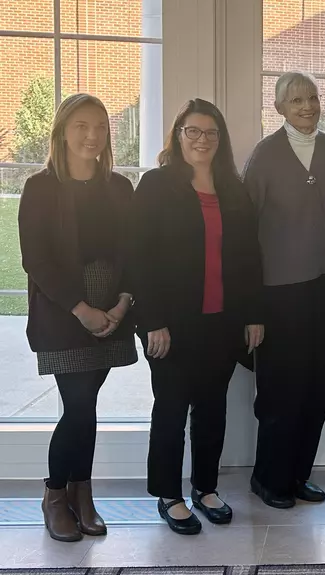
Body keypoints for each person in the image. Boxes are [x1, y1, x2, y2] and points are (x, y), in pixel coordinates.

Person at [129, 99, 264, 534]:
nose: (202, 140)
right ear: (178, 134)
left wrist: (253, 314)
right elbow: (139, 258)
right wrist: (151, 320)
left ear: (220, 140)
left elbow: (248, 258)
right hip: (169, 324)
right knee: (170, 408)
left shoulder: (233, 188)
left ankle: (206, 488)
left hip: (222, 321)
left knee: (212, 409)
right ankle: (169, 495)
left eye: (211, 133)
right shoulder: (155, 186)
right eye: (193, 131)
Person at [19, 94, 137, 542]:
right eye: (82, 126)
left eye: (101, 127)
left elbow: (135, 253)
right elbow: (38, 260)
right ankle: (57, 495)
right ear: (62, 132)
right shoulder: (40, 188)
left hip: (114, 312)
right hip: (63, 313)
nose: (92, 136)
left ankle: (79, 493)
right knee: (80, 404)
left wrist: (123, 303)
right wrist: (81, 310)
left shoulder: (121, 188)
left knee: (86, 405)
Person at [243, 72, 325, 509]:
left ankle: (299, 474)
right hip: (278, 289)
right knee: (281, 387)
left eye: (312, 98)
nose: (307, 106)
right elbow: (246, 229)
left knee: (319, 384)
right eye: (296, 100)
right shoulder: (264, 155)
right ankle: (269, 479)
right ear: (279, 107)